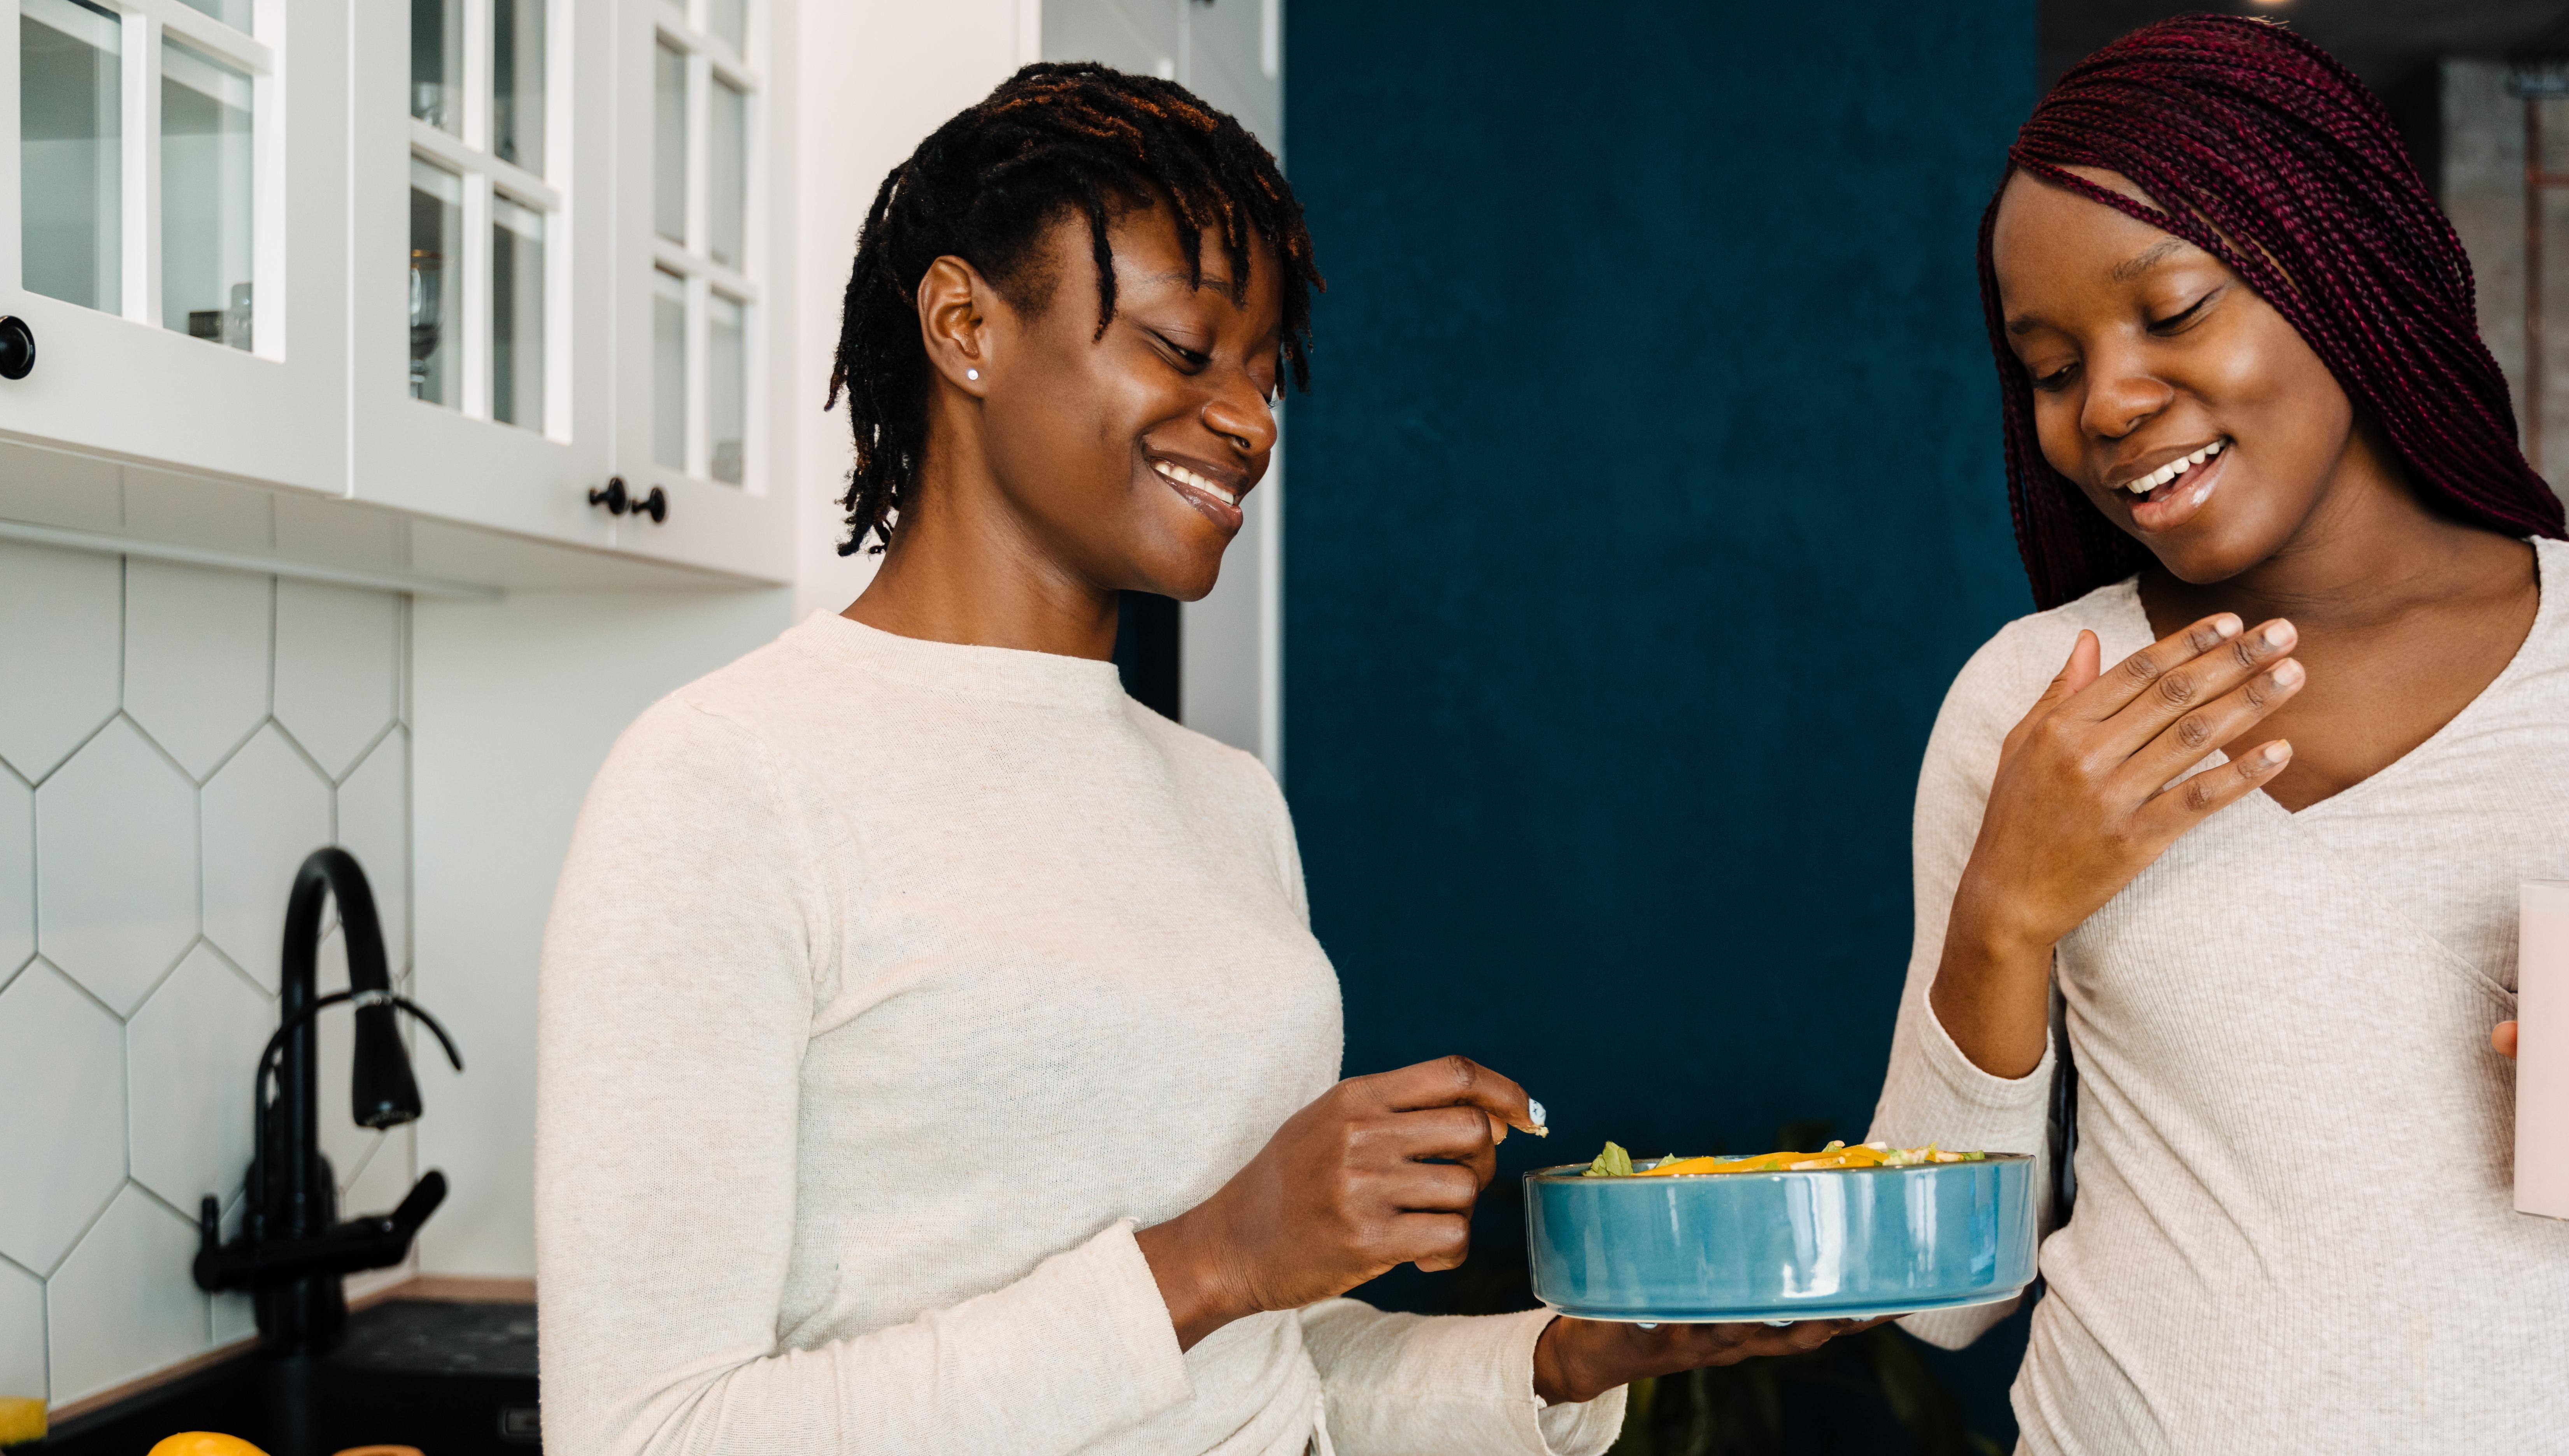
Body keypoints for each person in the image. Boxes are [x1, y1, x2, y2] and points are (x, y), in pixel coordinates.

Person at [535, 64, 1856, 1456]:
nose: (1252, 419)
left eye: (1266, 370)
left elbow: (1258, 1370)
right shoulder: (724, 782)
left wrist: (1570, 1359)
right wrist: (1216, 1255)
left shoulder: (1226, 803)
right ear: (965, 325)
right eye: (1184, 348)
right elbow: (649, 1433)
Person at [1866, 18, 2569, 1453]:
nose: (2112, 402)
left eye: (2175, 309)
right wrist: (2006, 917)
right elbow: (1939, 1297)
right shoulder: (2046, 701)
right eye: (2051, 365)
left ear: (2335, 267)